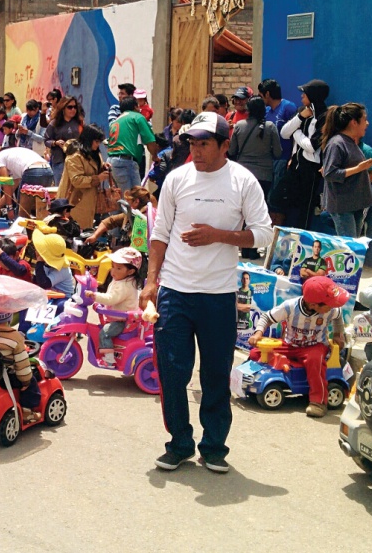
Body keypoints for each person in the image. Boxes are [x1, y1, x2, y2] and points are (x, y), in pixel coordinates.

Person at [140, 110, 273, 473]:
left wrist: (219, 235)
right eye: (192, 143)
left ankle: (213, 447)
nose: (196, 151)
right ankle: (179, 443)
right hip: (175, 292)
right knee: (172, 371)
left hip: (218, 295)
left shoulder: (242, 182)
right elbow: (160, 232)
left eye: (204, 144)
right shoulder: (177, 179)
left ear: (225, 145)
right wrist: (151, 281)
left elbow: (264, 233)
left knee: (215, 375)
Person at [247, 276, 348, 418]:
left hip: (315, 346)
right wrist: (258, 333)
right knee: (256, 353)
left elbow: (338, 318)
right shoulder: (290, 307)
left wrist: (338, 334)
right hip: (290, 345)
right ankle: (248, 382)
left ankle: (318, 402)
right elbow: (267, 317)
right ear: (314, 304)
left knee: (315, 361)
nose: (333, 306)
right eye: (329, 303)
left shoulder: (331, 310)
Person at [228, 96, 281, 257]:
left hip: (242, 174)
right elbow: (278, 152)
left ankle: (242, 247)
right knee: (257, 210)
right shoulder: (270, 127)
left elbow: (231, 151)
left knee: (241, 210)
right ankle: (252, 249)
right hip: (264, 175)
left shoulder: (239, 126)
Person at [273, 79, 329, 230]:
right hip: (294, 167)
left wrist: (296, 133)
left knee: (305, 209)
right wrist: (300, 117)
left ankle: (300, 243)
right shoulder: (302, 112)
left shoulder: (325, 116)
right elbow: (284, 133)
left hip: (310, 170)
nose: (302, 97)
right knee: (278, 200)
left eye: (305, 94)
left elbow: (311, 146)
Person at [320, 102, 372, 238]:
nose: (367, 123)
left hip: (355, 204)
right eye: (364, 119)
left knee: (353, 246)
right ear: (354, 122)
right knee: (348, 248)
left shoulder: (350, 142)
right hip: (343, 206)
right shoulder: (337, 143)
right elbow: (330, 173)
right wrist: (359, 168)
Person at [0, 305, 41, 423]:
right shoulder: (15, 338)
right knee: (32, 380)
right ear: (9, 317)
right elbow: (22, 365)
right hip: (3, 378)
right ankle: (26, 412)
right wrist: (26, 381)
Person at [93, 247, 144, 365]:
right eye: (113, 266)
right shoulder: (121, 280)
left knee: (105, 333)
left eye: (119, 268)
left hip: (123, 321)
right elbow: (110, 294)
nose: (113, 271)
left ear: (130, 271)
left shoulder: (125, 286)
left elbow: (111, 299)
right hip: (117, 317)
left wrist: (95, 296)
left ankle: (110, 359)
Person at [56, 124, 110, 230]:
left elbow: (94, 168)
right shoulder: (75, 156)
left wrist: (104, 167)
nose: (98, 145)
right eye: (96, 142)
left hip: (88, 201)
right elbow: (76, 180)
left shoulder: (94, 153)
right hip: (74, 201)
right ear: (89, 140)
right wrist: (98, 178)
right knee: (73, 232)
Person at [107, 96, 159, 191]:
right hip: (126, 163)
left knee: (122, 199)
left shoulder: (116, 121)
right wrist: (155, 156)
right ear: (135, 107)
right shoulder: (137, 117)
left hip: (111, 162)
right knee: (134, 198)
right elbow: (150, 141)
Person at [0, 146, 54, 219]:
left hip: (33, 170)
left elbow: (6, 183)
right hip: (48, 171)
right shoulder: (14, 161)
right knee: (39, 210)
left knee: (21, 215)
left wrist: (9, 208)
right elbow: (9, 191)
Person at [258, 78, 299, 187]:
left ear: (267, 94)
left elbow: (296, 133)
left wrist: (292, 157)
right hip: (268, 160)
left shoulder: (288, 107)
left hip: (283, 158)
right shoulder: (266, 111)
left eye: (261, 95)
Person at [85, 186, 152, 249]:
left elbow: (137, 248)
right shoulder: (131, 213)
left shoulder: (143, 219)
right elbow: (109, 221)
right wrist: (95, 236)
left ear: (136, 202)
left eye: (129, 201)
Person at [43, 96, 83, 183]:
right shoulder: (54, 123)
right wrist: (55, 143)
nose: (73, 109)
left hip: (76, 161)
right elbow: (46, 140)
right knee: (60, 187)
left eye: (75, 107)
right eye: (70, 107)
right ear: (63, 108)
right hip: (59, 161)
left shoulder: (79, 123)